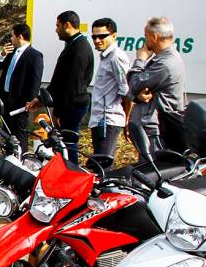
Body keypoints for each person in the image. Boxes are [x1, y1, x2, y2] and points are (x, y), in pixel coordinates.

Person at [30, 10, 94, 163]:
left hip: (72, 106)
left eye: (58, 25)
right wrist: (40, 99)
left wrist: (58, 111)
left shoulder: (79, 49)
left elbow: (71, 85)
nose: (56, 29)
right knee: (61, 144)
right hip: (69, 105)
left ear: (67, 25)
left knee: (67, 145)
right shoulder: (72, 45)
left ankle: (71, 174)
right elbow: (59, 80)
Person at [126, 16, 187, 153]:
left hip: (156, 130)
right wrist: (137, 96)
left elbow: (135, 83)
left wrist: (140, 59)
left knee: (151, 169)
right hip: (155, 126)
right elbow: (138, 89)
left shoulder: (165, 63)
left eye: (145, 36)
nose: (144, 40)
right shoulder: (166, 59)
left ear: (154, 37)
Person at [0, 23, 43, 152]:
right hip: (6, 98)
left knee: (19, 133)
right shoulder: (11, 52)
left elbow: (35, 80)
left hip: (20, 102)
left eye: (12, 36)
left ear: (19, 36)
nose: (10, 39)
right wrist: (2, 54)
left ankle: (21, 159)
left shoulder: (34, 55)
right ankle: (9, 157)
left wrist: (30, 100)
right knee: (7, 131)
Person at [88, 18, 131, 163]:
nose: (97, 40)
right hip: (99, 120)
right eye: (94, 37)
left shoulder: (116, 57)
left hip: (108, 121)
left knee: (104, 168)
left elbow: (127, 91)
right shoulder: (106, 56)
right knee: (99, 166)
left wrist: (127, 120)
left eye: (102, 36)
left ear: (114, 35)